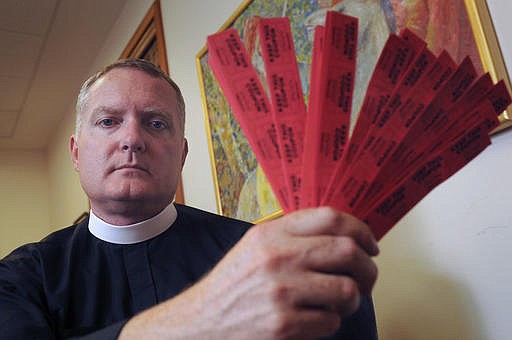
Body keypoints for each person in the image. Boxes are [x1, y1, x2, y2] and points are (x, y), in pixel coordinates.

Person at [0, 59, 379, 339]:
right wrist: (202, 316)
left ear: (181, 155)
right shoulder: (19, 278)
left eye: (156, 122)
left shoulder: (265, 259)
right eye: (108, 121)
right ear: (77, 153)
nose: (132, 138)